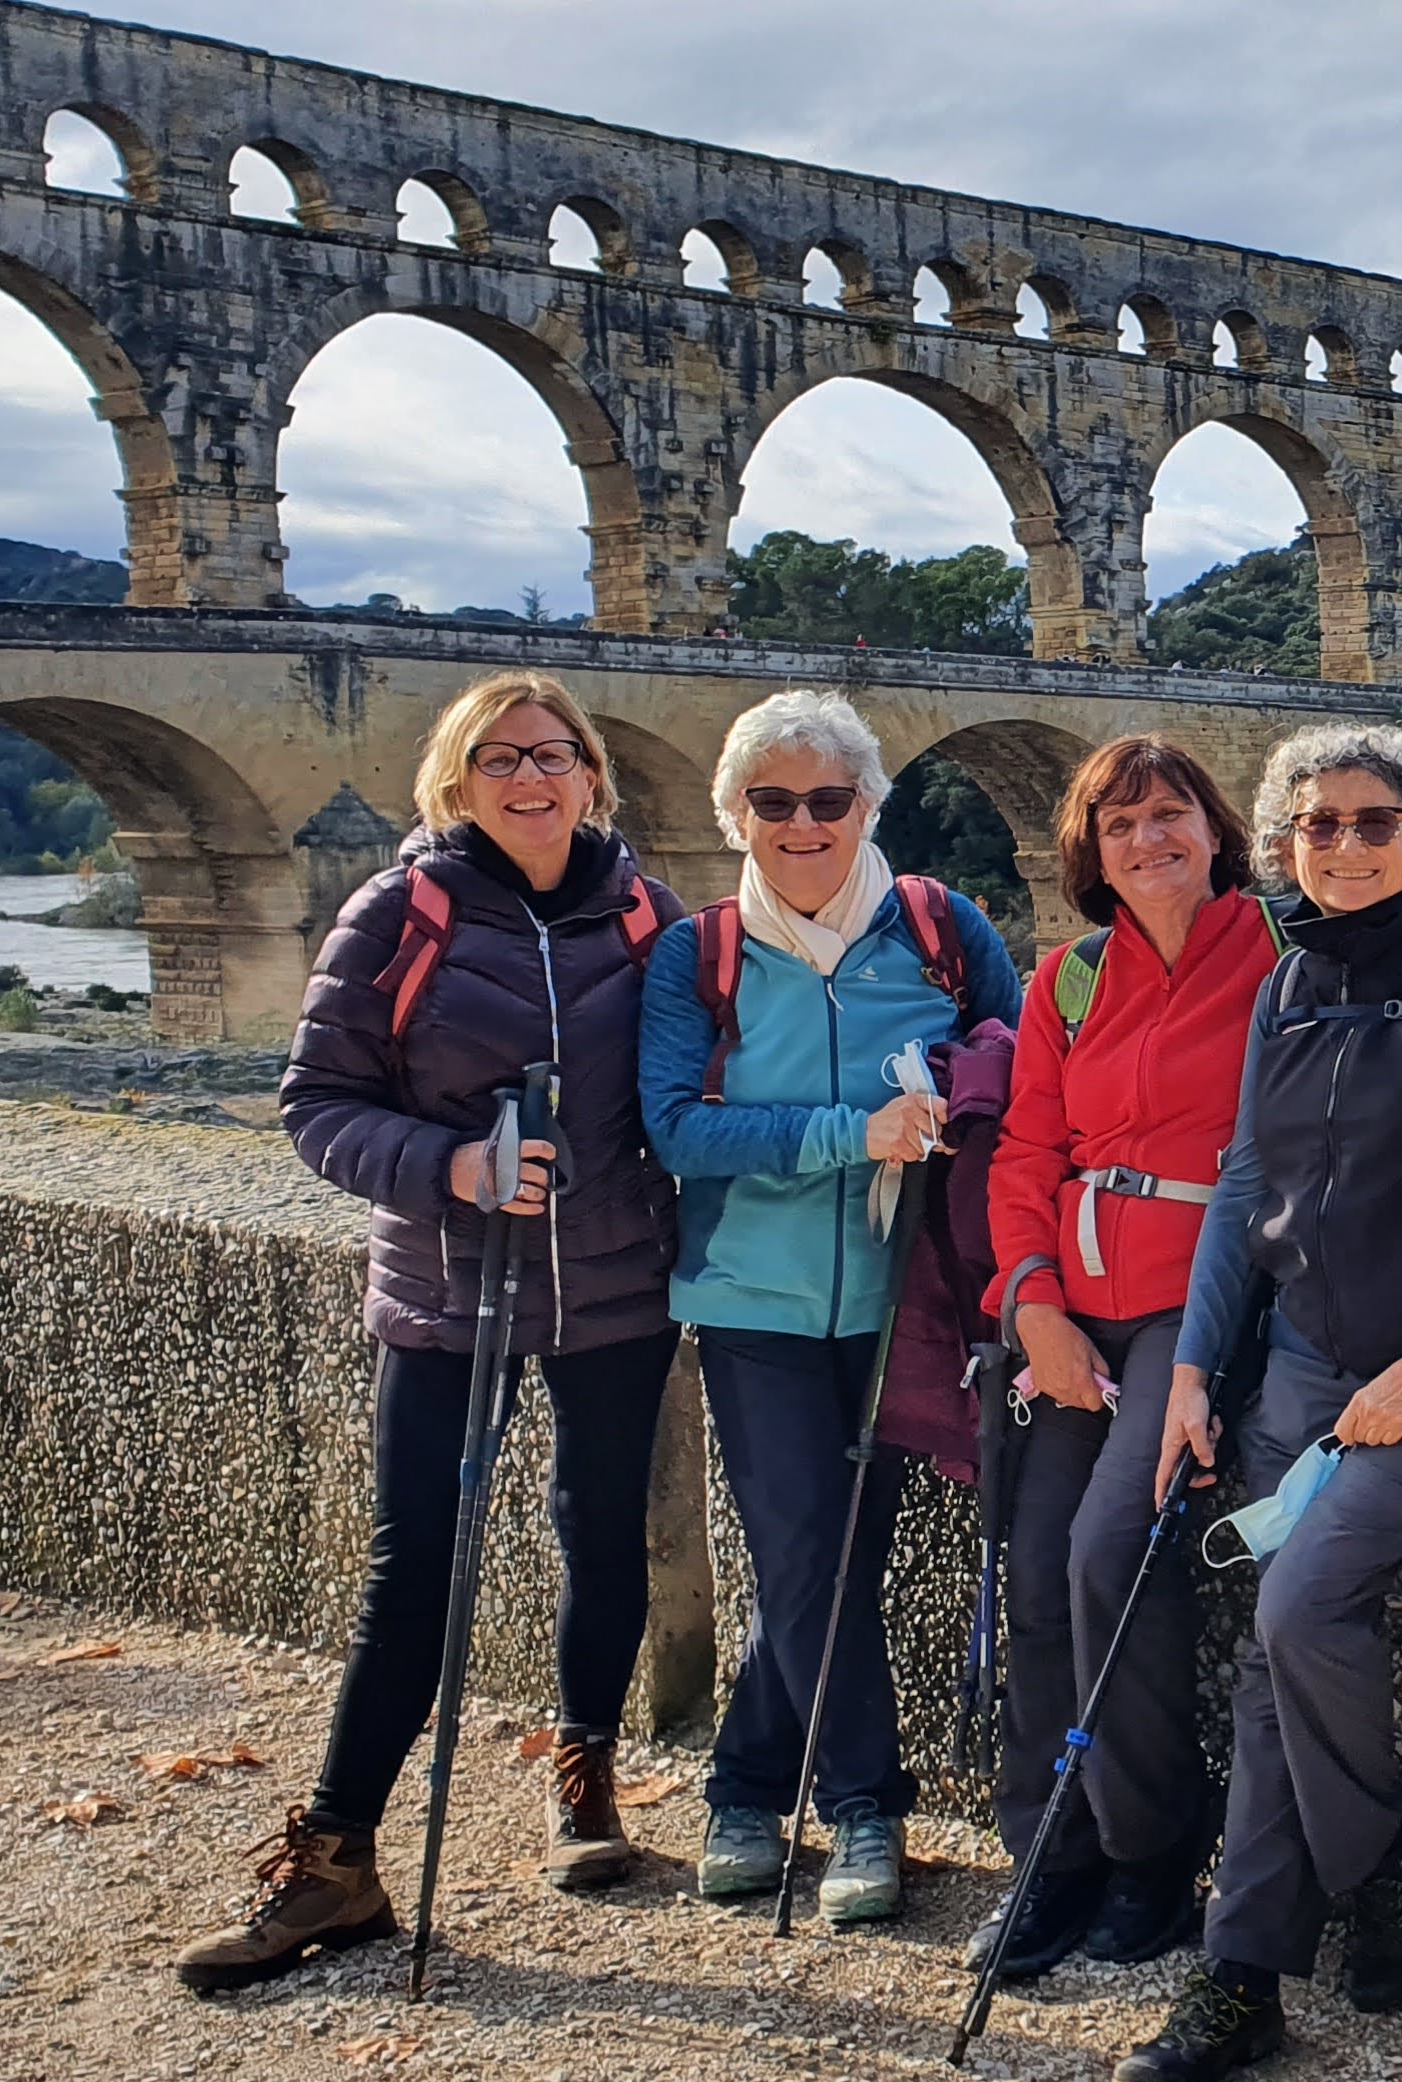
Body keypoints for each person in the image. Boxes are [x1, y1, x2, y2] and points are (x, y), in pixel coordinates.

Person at [181, 673, 691, 1993]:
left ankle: (587, 1787)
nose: (531, 779)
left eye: (554, 754)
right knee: (415, 1569)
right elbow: (316, 1105)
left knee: (603, 1530)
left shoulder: (648, 917)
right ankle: (338, 1857)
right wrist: (454, 1166)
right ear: (456, 782)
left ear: (594, 775)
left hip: (617, 1280)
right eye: (499, 758)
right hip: (447, 1289)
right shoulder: (398, 914)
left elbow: (702, 1076)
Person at [1108, 723, 1402, 2082]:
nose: (1347, 847)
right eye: (1319, 827)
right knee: (1267, 1653)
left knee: (1296, 1611)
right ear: (1288, 844)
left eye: (1375, 824)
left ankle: (1377, 1866)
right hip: (1302, 1364)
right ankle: (1242, 1972)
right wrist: (1193, 1366)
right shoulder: (1290, 982)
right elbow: (1246, 1186)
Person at [639, 689, 1020, 1925]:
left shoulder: (943, 929)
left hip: (910, 1303)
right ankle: (865, 1803)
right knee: (803, 1551)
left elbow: (1018, 1074)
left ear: (869, 806)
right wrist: (849, 1134)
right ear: (734, 814)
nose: (803, 824)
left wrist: (959, 1109)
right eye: (773, 802)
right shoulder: (694, 956)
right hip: (756, 1301)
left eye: (829, 799)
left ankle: (746, 1784)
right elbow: (677, 1131)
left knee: (836, 1563)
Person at [966, 734, 1278, 1980]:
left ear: (1215, 827)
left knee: (1113, 1556)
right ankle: (1050, 1853)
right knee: (1037, 1574)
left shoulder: (1279, 949)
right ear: (1089, 852)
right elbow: (1027, 1155)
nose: (1148, 841)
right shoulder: (1067, 982)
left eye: (1171, 815)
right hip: (1073, 1309)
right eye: (1119, 824)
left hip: (1196, 1308)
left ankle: (1153, 1851)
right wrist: (1031, 1302)